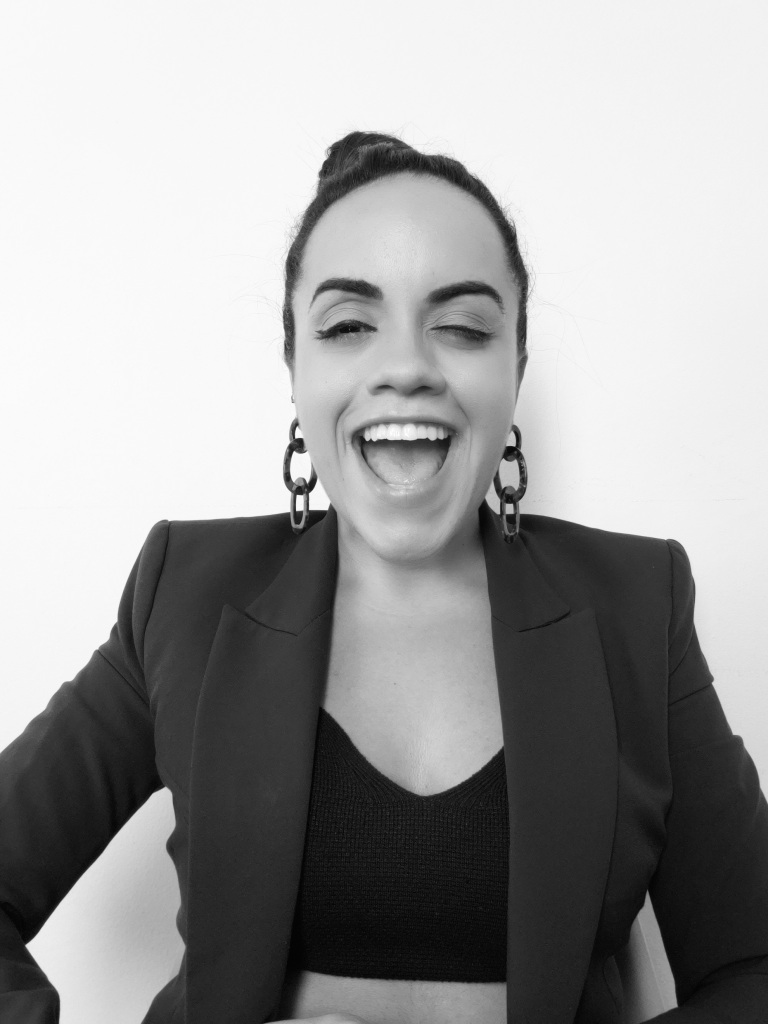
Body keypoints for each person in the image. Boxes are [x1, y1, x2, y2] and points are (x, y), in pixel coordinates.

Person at [1, 130, 767, 1024]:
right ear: (295, 367)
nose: (405, 368)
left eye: (463, 328)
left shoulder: (639, 606)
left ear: (515, 368)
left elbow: (753, 968)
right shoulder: (185, 594)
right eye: (348, 327)